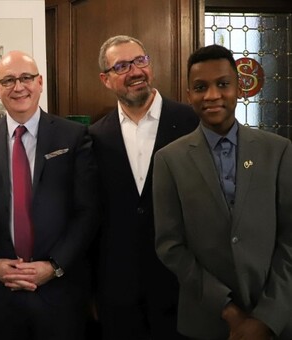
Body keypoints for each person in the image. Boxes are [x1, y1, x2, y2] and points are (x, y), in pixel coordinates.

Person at [153, 44, 292, 339]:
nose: (212, 95)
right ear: (189, 94)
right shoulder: (169, 159)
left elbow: (289, 239)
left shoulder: (278, 151)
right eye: (201, 87)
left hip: (276, 320)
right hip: (206, 320)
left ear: (239, 89)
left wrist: (266, 317)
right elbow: (170, 246)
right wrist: (230, 312)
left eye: (223, 84)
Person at [0, 50, 99, 340]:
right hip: (0, 292)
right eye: (9, 80)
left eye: (26, 78)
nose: (19, 86)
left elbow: (88, 211)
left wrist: (55, 266)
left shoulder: (73, 137)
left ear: (40, 83)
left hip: (59, 290)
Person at [89, 35, 198, 339]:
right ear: (106, 79)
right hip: (118, 293)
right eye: (121, 66)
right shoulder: (95, 136)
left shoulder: (191, 122)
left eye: (140, 61)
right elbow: (93, 217)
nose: (135, 71)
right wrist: (93, 290)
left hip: (183, 286)